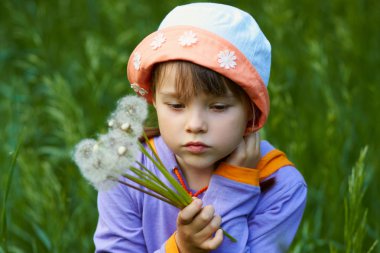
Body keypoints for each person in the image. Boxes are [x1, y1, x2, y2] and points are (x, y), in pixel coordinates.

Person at [94, 3, 307, 253]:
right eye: (176, 105)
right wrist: (181, 248)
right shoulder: (128, 171)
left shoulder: (280, 184)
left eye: (217, 107)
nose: (195, 125)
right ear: (154, 101)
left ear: (252, 109)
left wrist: (234, 187)